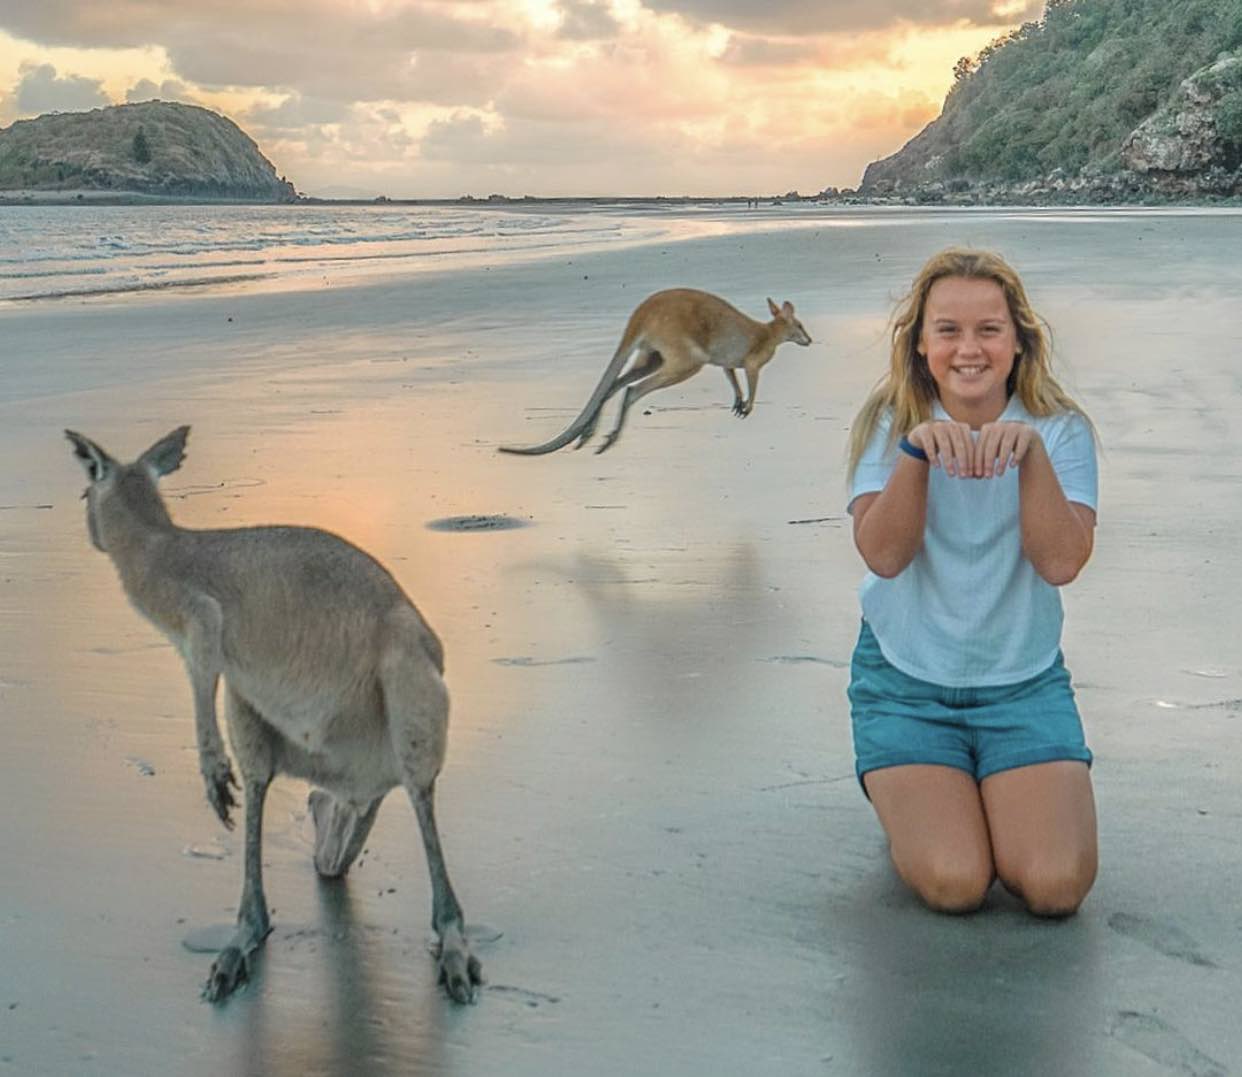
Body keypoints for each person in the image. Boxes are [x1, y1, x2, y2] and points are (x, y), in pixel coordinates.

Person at [845, 247, 1099, 917]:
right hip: (905, 683)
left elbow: (1061, 563)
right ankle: (915, 793)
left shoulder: (1060, 429)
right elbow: (883, 556)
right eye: (948, 330)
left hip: (1022, 685)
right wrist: (917, 453)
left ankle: (977, 791)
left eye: (989, 329)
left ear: (1018, 340)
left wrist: (1031, 458)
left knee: (1054, 886)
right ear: (921, 343)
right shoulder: (889, 423)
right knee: (957, 882)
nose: (968, 349)